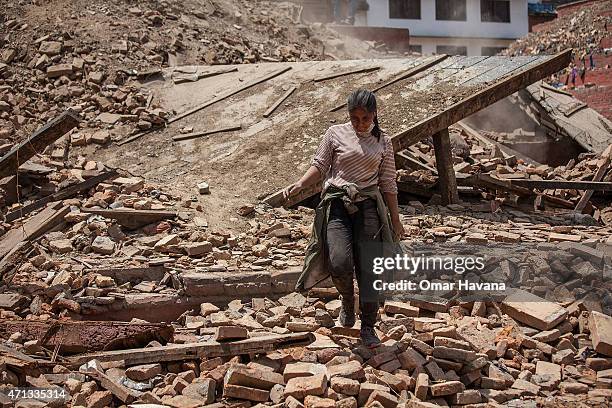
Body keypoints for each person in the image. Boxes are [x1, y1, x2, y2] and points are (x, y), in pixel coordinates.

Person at [284, 89, 405, 348]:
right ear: (348, 116)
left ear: (374, 114)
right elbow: (320, 165)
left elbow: (388, 182)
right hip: (338, 205)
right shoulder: (334, 134)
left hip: (369, 208)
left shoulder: (384, 141)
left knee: (369, 268)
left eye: (365, 118)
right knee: (339, 262)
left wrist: (395, 219)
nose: (360, 123)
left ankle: (369, 327)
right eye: (354, 118)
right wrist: (300, 185)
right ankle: (348, 301)